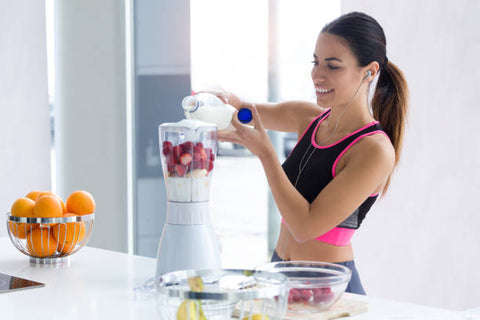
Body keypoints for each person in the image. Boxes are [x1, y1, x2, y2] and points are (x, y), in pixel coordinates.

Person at [214, 11, 409, 295]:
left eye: (332, 66)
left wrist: (266, 154)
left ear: (369, 72)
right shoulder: (309, 118)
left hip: (329, 291)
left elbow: (305, 227)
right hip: (280, 275)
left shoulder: (374, 151)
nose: (317, 74)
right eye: (316, 62)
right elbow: (246, 113)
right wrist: (224, 101)